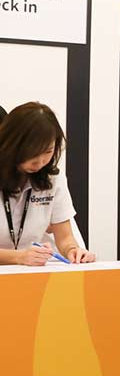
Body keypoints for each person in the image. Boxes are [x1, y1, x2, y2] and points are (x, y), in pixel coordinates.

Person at [0, 102, 95, 265]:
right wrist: (18, 257)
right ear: (11, 145)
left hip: (35, 272)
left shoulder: (53, 178)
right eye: (31, 153)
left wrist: (73, 250)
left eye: (48, 151)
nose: (40, 161)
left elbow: (65, 237)